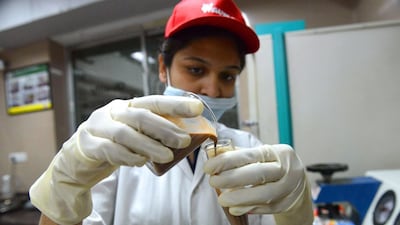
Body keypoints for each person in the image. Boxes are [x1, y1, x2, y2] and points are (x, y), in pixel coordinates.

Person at [29, 0, 314, 224]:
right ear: (164, 68)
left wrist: (295, 216)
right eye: (196, 69)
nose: (212, 90)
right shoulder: (117, 151)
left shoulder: (248, 148)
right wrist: (64, 188)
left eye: (227, 76)